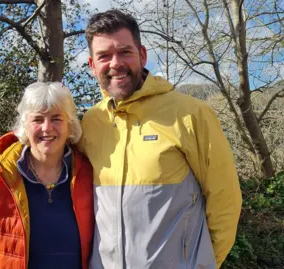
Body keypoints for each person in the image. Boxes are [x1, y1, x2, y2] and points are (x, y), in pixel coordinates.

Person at [78, 9, 242, 269]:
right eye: (104, 56)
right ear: (92, 65)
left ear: (142, 55)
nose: (115, 63)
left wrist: (201, 264)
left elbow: (225, 201)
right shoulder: (90, 123)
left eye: (125, 52)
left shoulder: (191, 114)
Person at [0, 82, 94, 269]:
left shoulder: (89, 176)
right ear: (24, 126)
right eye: (38, 119)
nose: (47, 128)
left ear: (70, 125)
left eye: (56, 119)